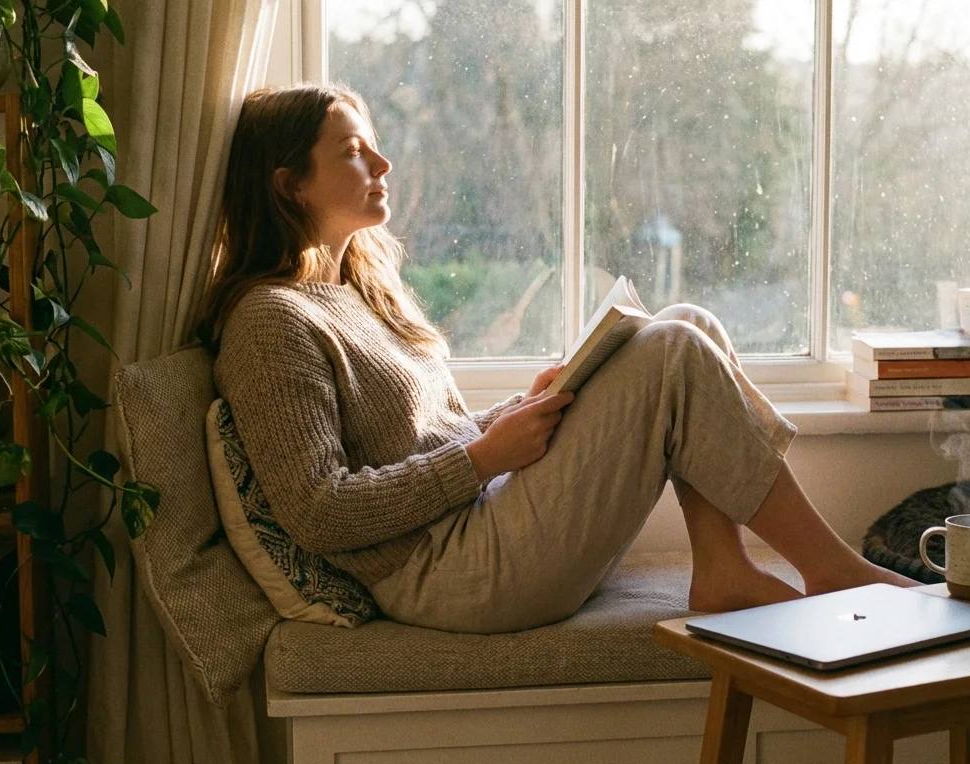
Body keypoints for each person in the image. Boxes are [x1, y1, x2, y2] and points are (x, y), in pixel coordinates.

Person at [198, 84, 916, 635]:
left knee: (685, 321)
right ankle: (832, 570)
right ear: (289, 183)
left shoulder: (357, 293)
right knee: (672, 351)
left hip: (477, 517)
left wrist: (519, 412)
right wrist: (483, 458)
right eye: (353, 151)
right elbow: (319, 511)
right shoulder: (270, 322)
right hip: (446, 574)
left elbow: (420, 437)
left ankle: (724, 567)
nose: (382, 164)